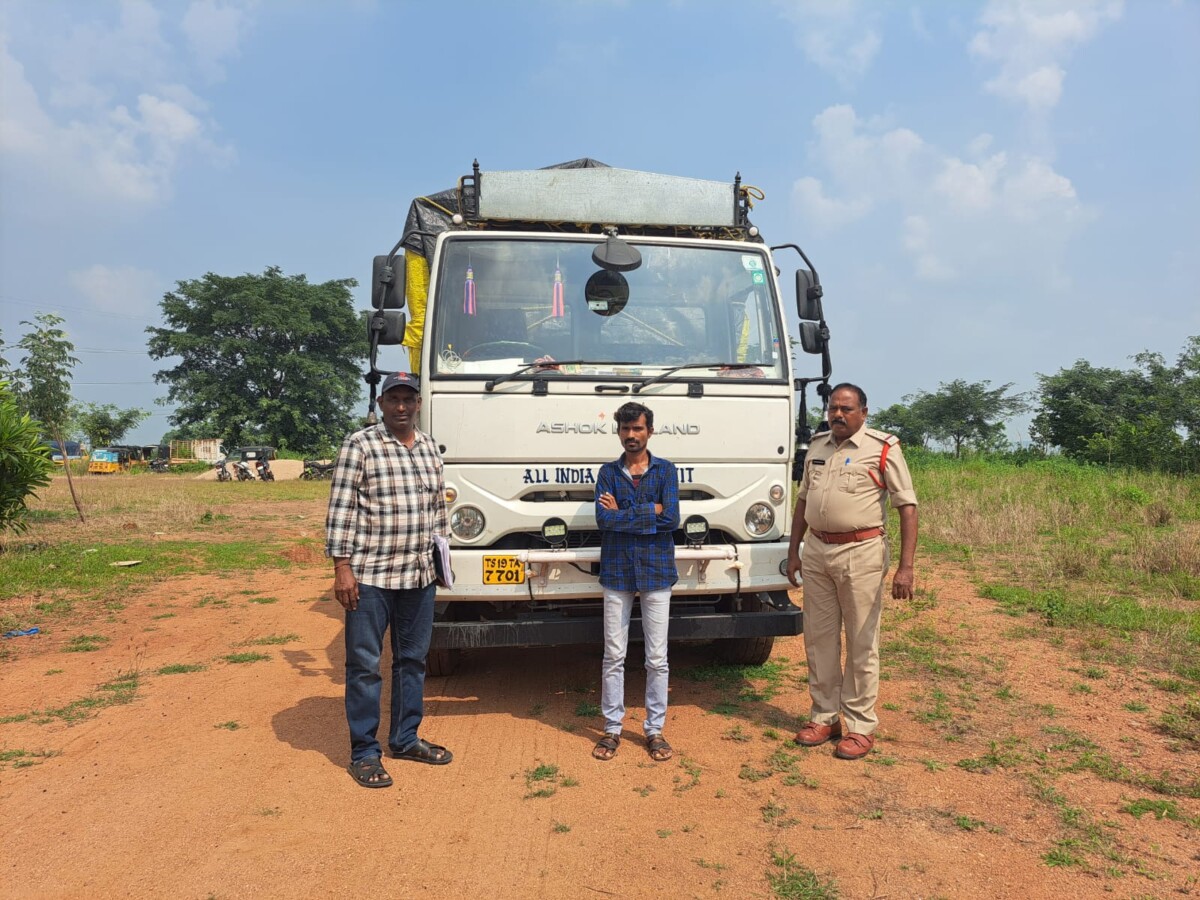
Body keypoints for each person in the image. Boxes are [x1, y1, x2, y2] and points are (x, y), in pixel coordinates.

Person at [325, 371, 453, 788]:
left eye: (408, 399)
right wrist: (342, 567)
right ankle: (364, 752)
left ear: (418, 404)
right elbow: (342, 508)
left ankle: (405, 738)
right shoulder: (360, 445)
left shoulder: (430, 447)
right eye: (393, 399)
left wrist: (442, 559)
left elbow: (438, 510)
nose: (401, 406)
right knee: (364, 665)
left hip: (418, 574)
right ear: (381, 404)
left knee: (412, 661)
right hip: (371, 576)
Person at [785, 383, 918, 761]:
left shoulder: (883, 448)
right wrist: (794, 551)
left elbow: (907, 506)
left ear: (864, 412)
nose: (838, 415)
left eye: (846, 409)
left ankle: (860, 726)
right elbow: (803, 501)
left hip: (861, 552)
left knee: (862, 640)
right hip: (817, 553)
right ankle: (825, 717)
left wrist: (906, 567)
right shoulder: (818, 445)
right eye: (833, 409)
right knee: (819, 637)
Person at [592, 401, 681, 762]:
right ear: (618, 432)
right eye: (626, 429)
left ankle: (654, 729)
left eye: (638, 429)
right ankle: (612, 728)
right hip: (617, 572)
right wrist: (650, 511)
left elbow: (672, 518)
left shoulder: (666, 470)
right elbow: (603, 520)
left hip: (657, 571)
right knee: (614, 655)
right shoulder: (608, 473)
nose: (631, 435)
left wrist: (624, 513)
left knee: (657, 658)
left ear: (650, 431)